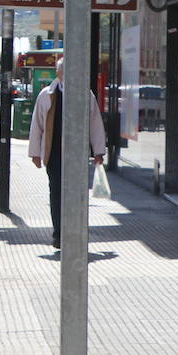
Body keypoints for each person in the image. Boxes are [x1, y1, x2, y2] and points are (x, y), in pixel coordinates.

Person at [27, 56, 107, 248]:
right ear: (59, 74)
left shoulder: (85, 95)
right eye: (65, 72)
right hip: (53, 153)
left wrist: (98, 151)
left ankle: (74, 232)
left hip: (77, 155)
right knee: (56, 192)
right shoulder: (46, 95)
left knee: (77, 193)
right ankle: (58, 234)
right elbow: (37, 125)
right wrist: (35, 153)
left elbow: (95, 124)